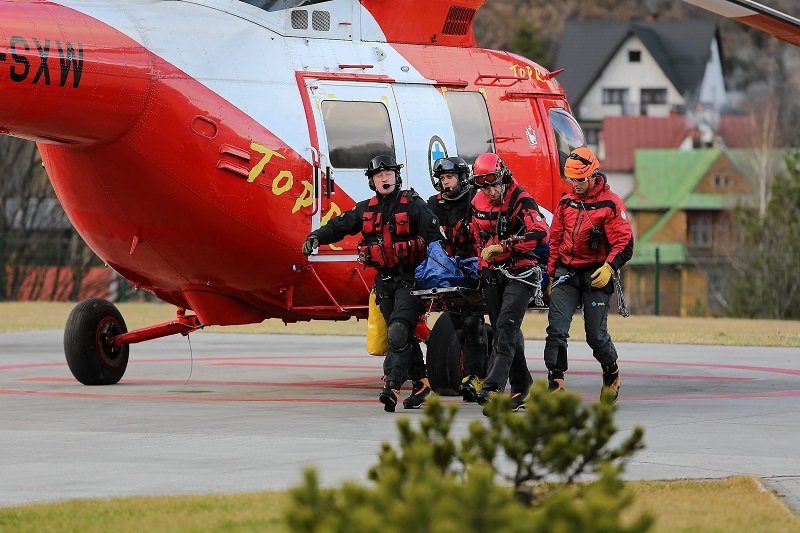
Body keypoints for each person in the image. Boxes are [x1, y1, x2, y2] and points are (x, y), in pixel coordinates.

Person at [301, 155, 443, 412]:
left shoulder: (414, 205)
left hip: (411, 279)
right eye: (379, 176)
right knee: (403, 335)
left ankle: (392, 386)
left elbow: (436, 239)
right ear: (372, 182)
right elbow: (339, 226)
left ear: (396, 177)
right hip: (384, 283)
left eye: (388, 174)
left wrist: (441, 272)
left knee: (399, 331)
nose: (384, 178)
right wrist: (316, 237)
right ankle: (422, 383)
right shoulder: (365, 209)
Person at [544, 146, 633, 402]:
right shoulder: (566, 202)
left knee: (595, 335)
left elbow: (625, 243)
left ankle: (611, 371)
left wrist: (609, 267)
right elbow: (556, 239)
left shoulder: (611, 204)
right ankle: (556, 382)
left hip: (597, 275)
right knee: (557, 330)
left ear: (593, 174)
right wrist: (551, 275)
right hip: (566, 274)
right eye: (572, 180)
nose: (576, 185)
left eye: (580, 180)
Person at [470, 152, 549, 412]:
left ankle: (493, 387)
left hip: (521, 272)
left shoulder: (521, 200)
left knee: (505, 327)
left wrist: (505, 247)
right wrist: (483, 270)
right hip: (493, 274)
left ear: (503, 177)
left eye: (494, 184)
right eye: (484, 185)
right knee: (504, 330)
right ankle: (522, 385)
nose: (490, 191)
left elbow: (540, 233)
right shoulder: (477, 203)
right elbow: (477, 241)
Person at [426, 157, 487, 402]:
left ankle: (476, 375)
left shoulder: (477, 200)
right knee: (459, 326)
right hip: (448, 272)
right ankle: (467, 375)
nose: (445, 183)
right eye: (441, 179)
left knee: (473, 323)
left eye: (449, 177)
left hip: (475, 268)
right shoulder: (433, 204)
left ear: (461, 178)